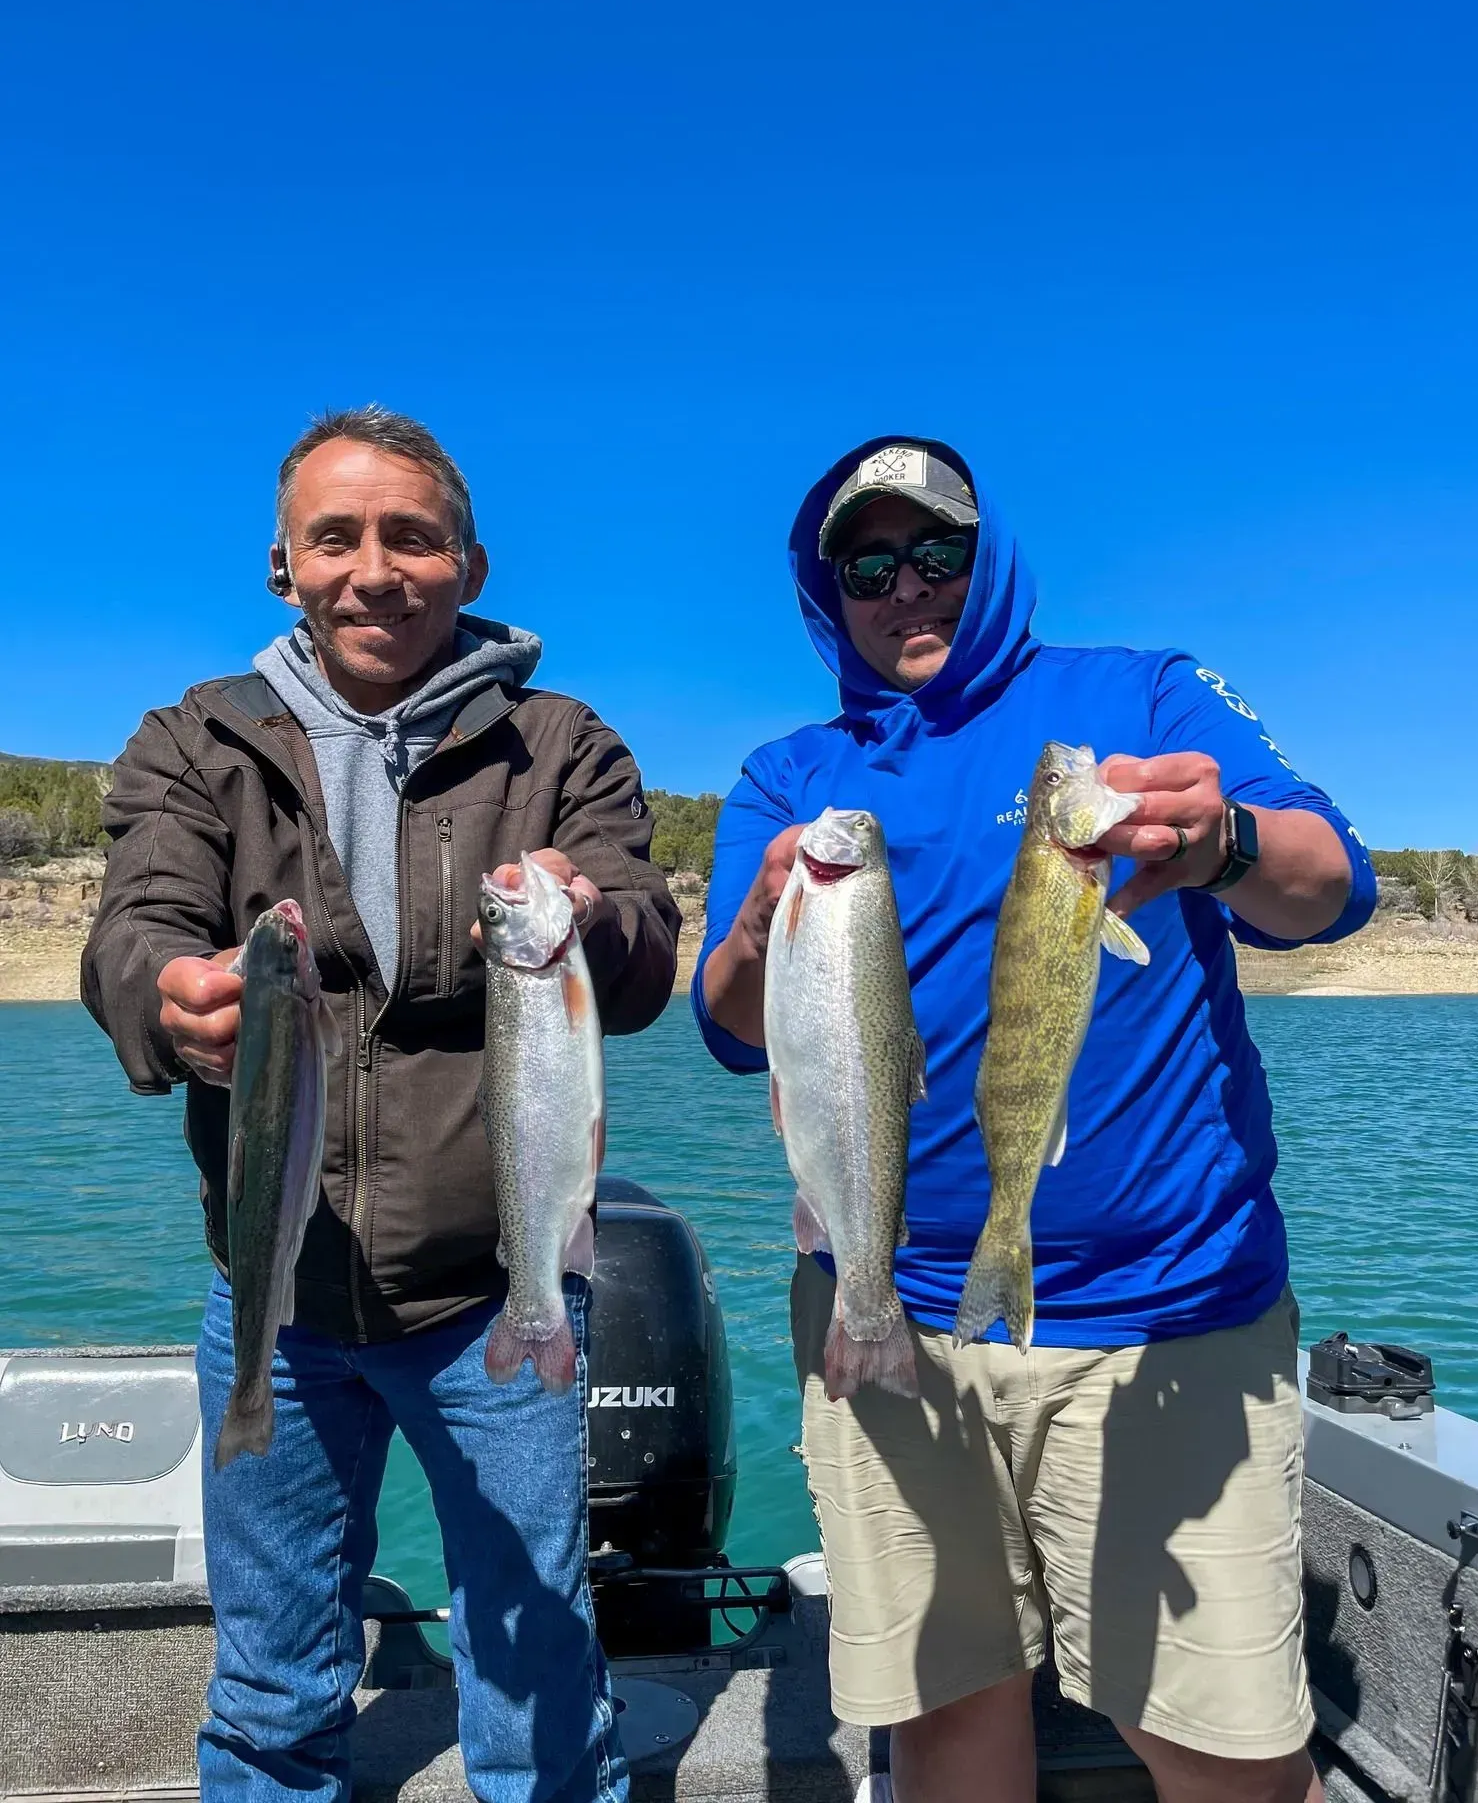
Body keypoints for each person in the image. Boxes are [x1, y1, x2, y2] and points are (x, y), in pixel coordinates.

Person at [693, 438, 1375, 1803]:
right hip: (886, 1317)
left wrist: (1225, 841)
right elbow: (730, 1026)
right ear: (830, 594)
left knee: (1222, 1748)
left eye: (936, 552)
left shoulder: (1141, 697)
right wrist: (768, 918)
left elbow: (1330, 885)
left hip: (1164, 1321)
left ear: (988, 554)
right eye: (868, 566)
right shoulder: (789, 775)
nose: (906, 589)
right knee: (947, 1720)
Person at [83, 406, 679, 1803]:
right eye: (334, 538)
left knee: (537, 1670)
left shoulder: (557, 744)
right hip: (275, 1292)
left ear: (468, 564)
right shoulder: (196, 740)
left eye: (411, 537)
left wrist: (589, 918)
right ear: (282, 566)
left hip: (496, 1292)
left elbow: (645, 942)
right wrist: (170, 996)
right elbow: (135, 924)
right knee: (274, 1678)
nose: (373, 569)